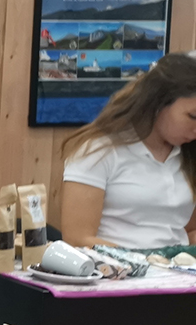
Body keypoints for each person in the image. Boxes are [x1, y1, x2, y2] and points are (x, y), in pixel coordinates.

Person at [61, 52, 196, 249]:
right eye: (193, 116)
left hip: (178, 265)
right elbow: (77, 239)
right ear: (158, 103)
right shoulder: (98, 150)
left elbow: (188, 231)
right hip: (115, 265)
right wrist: (142, 262)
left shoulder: (188, 154)